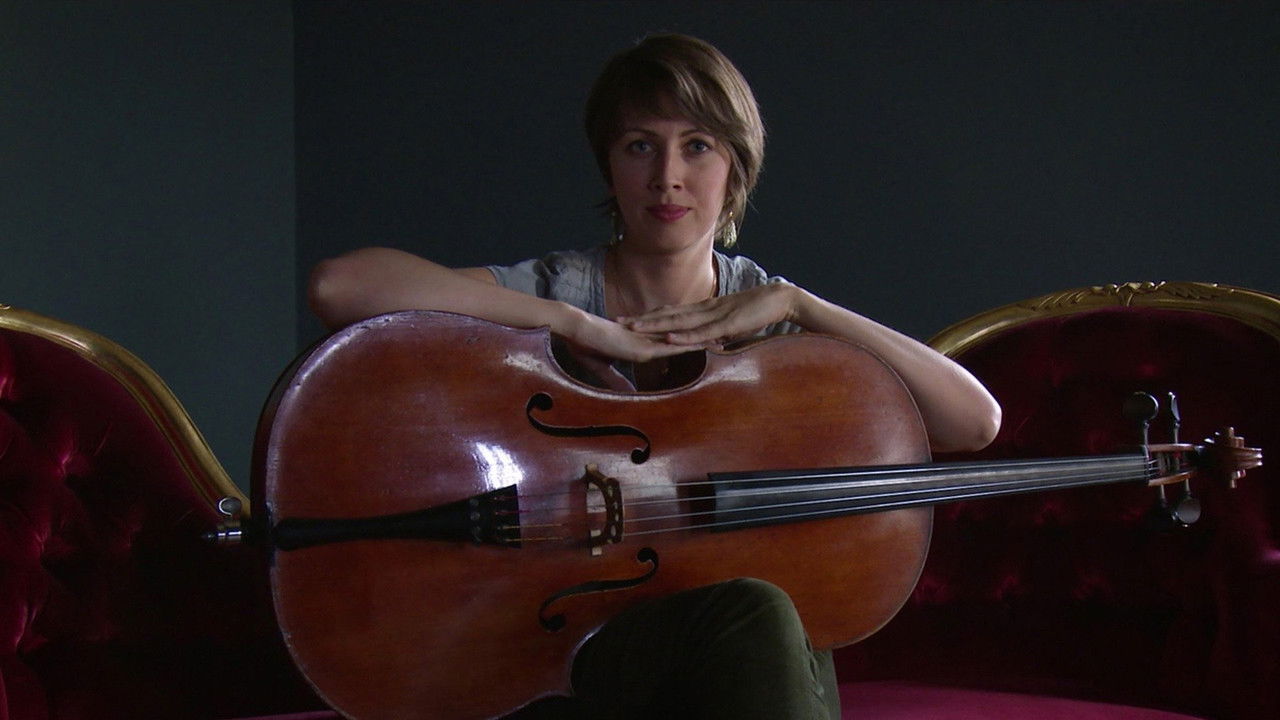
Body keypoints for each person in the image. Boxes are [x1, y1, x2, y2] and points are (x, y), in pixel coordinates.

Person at [309, 33, 1000, 720]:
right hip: (580, 637)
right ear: (610, 166)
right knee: (760, 615)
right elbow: (342, 287)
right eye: (640, 145)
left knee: (778, 616)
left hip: (728, 647)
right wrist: (569, 323)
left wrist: (800, 304)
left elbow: (974, 423)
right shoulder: (560, 289)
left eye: (697, 146)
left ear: (736, 165)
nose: (667, 175)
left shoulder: (769, 320)